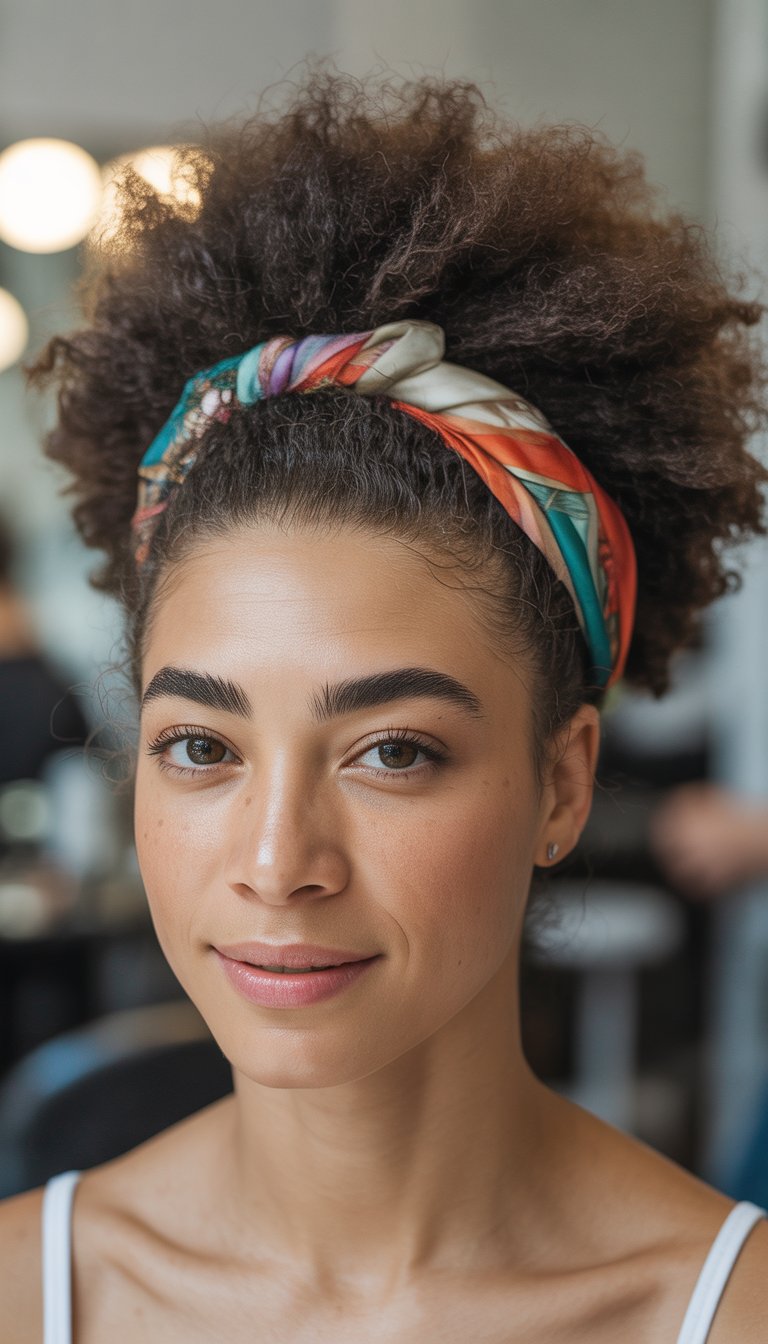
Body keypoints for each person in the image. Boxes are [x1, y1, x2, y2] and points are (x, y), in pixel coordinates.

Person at [1, 73, 767, 1342]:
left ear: (563, 782)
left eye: (392, 751)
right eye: (200, 746)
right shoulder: (30, 1297)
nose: (275, 862)